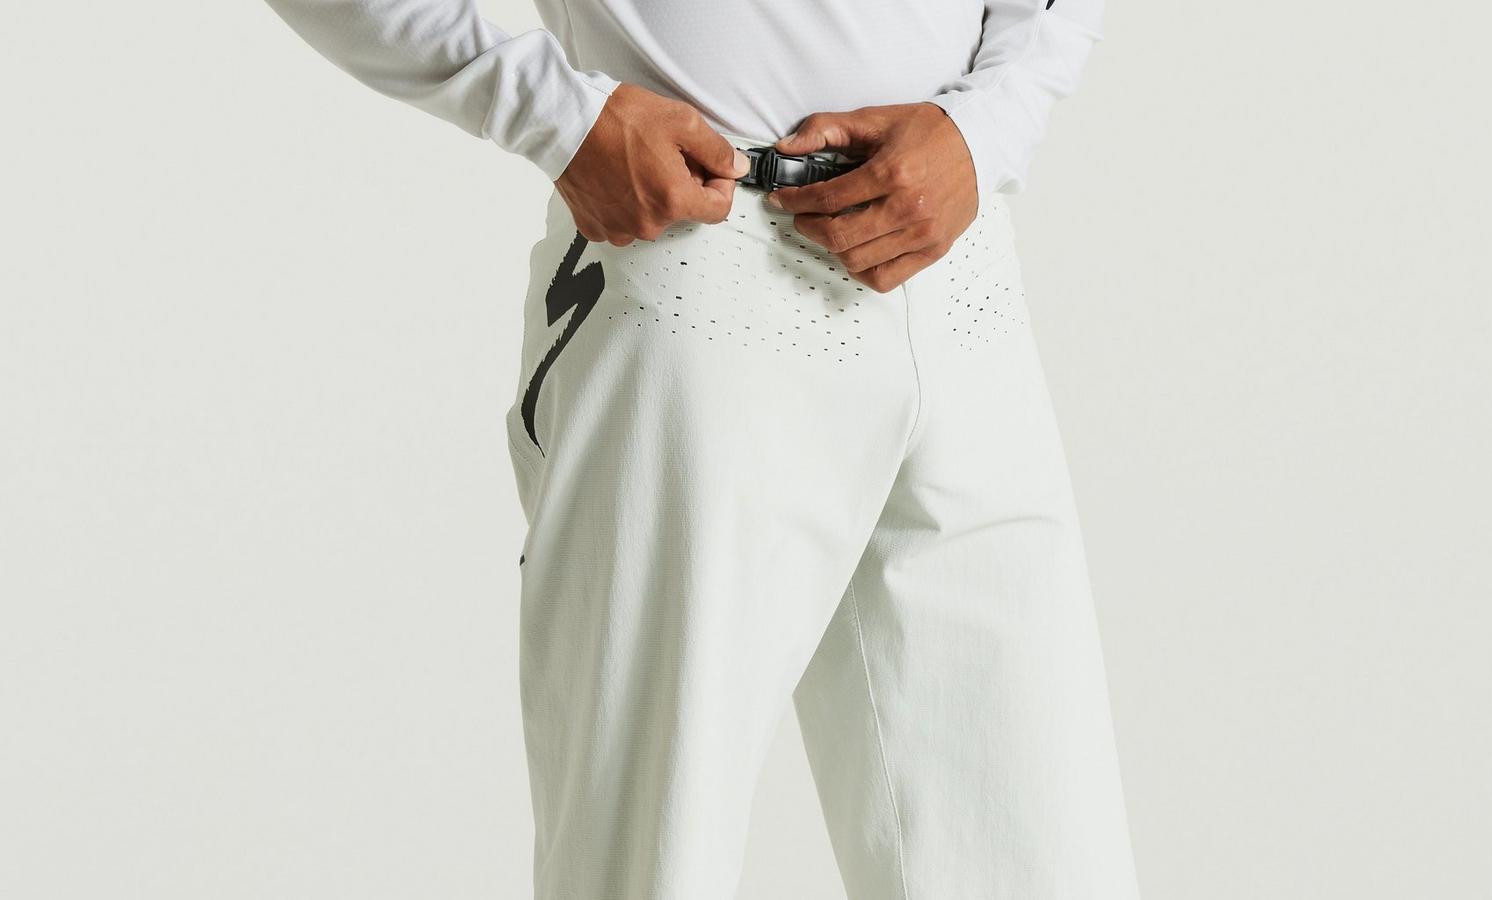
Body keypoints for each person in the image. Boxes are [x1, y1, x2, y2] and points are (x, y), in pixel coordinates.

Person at [261, 1, 1141, 897]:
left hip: (959, 265)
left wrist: (991, 125)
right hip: (701, 260)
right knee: (651, 866)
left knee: (1041, 861)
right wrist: (551, 112)